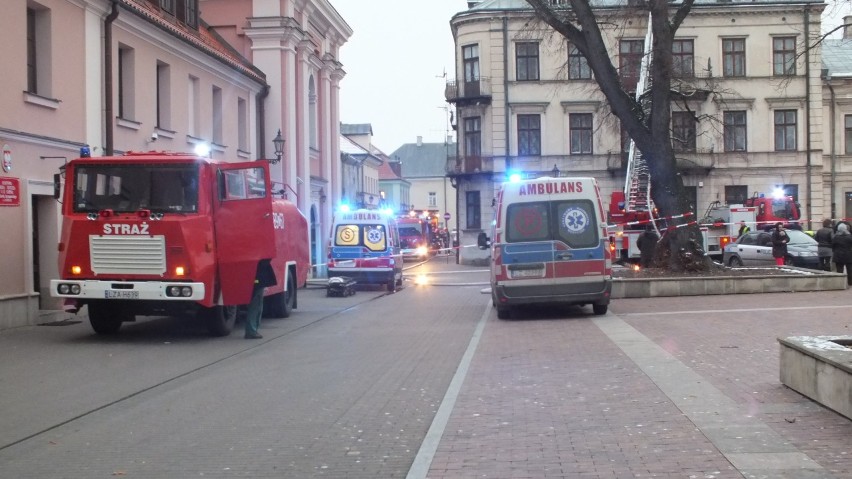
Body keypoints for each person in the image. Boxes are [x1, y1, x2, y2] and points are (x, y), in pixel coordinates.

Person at [245, 261, 277, 339]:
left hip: (251, 274)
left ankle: (251, 330)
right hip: (257, 276)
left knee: (254, 303)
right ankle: (252, 331)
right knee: (256, 304)